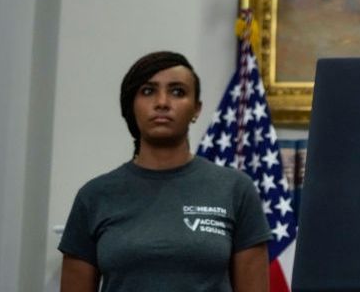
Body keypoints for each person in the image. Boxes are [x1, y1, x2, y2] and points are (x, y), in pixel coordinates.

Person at [59, 51, 270, 292]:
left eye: (177, 91)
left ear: (197, 109)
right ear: (131, 105)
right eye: (148, 91)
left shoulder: (235, 189)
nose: (162, 102)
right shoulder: (94, 196)